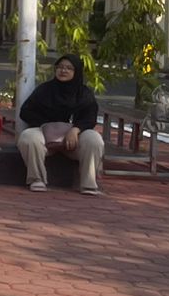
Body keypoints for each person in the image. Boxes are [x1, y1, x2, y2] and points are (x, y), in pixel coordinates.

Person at [17, 55, 104, 195]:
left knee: (94, 139)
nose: (63, 71)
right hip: (47, 139)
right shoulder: (45, 90)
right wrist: (46, 125)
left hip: (73, 141)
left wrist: (75, 129)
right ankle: (37, 180)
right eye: (60, 67)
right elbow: (26, 111)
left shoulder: (83, 93)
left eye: (69, 68)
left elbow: (90, 117)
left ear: (77, 72)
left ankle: (88, 184)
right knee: (28, 137)